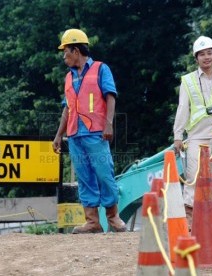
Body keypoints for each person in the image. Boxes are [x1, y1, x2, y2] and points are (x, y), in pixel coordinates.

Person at [52, 28, 126, 234]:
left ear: (76, 50)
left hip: (96, 132)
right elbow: (67, 108)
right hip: (75, 134)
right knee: (84, 177)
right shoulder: (68, 77)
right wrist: (59, 135)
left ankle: (113, 217)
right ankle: (92, 222)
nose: (64, 56)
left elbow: (110, 96)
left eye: (65, 51)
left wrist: (109, 123)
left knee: (104, 174)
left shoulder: (101, 69)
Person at [173, 36, 212, 226]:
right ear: (196, 58)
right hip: (196, 138)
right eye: (202, 54)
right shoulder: (188, 81)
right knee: (193, 177)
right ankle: (191, 220)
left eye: (209, 53)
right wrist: (178, 136)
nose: (206, 57)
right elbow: (182, 109)